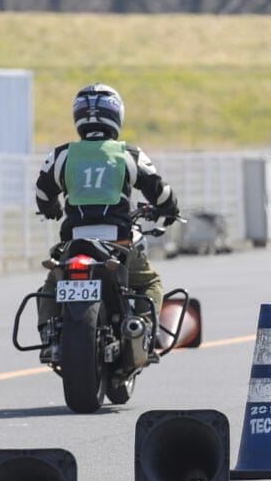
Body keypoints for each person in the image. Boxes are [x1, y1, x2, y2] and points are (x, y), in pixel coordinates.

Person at [34, 84, 180, 363]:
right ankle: (145, 335)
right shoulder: (128, 154)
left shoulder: (62, 155)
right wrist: (170, 208)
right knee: (150, 282)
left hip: (74, 244)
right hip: (118, 244)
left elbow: (42, 193)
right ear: (116, 116)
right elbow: (159, 190)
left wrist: (51, 208)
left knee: (51, 284)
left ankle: (48, 338)